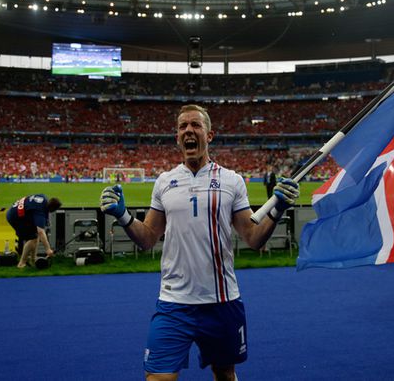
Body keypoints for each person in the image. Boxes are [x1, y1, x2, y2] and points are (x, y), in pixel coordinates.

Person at [100, 104, 299, 381]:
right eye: (183, 126)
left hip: (221, 301)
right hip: (173, 303)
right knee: (158, 377)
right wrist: (122, 216)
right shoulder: (164, 182)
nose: (189, 131)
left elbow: (253, 238)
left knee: (225, 374)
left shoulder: (232, 181)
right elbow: (147, 238)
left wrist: (277, 210)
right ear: (177, 137)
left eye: (195, 125)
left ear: (210, 135)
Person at [6, 194, 60, 269]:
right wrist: (48, 249)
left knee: (35, 236)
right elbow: (41, 232)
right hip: (15, 218)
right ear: (52, 208)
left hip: (15, 211)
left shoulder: (43, 198)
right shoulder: (40, 212)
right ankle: (21, 263)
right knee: (33, 239)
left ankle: (33, 260)